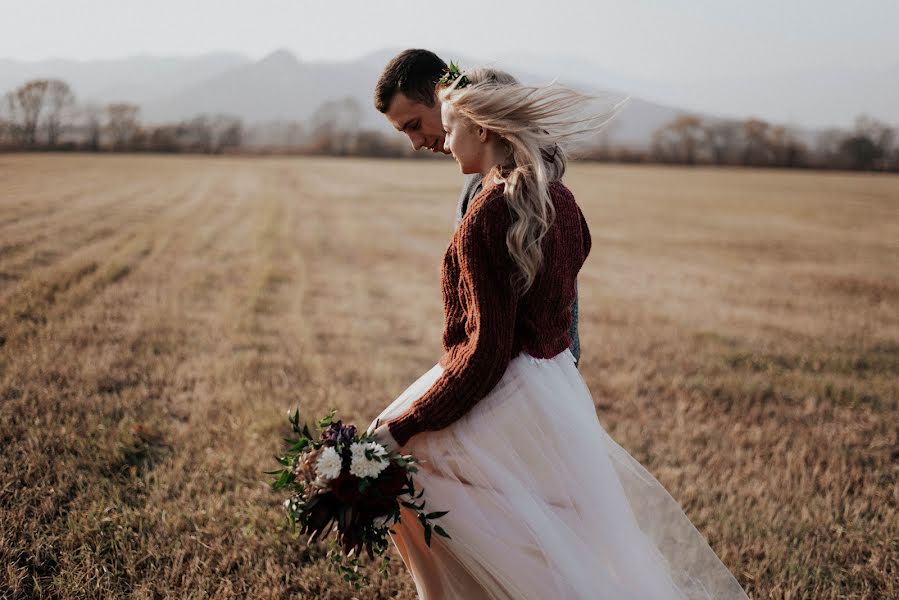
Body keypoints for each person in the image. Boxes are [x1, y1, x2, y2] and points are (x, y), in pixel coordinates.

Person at [368, 64, 750, 599]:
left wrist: (404, 427)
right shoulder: (561, 202)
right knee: (533, 519)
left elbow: (485, 352)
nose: (444, 141)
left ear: (481, 129)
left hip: (504, 389)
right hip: (553, 389)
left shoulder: (488, 215)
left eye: (449, 127)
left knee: (400, 467)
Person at [373, 49, 583, 366]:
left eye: (414, 124)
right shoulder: (516, 181)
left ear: (445, 96)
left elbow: (496, 337)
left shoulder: (495, 194)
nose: (415, 143)